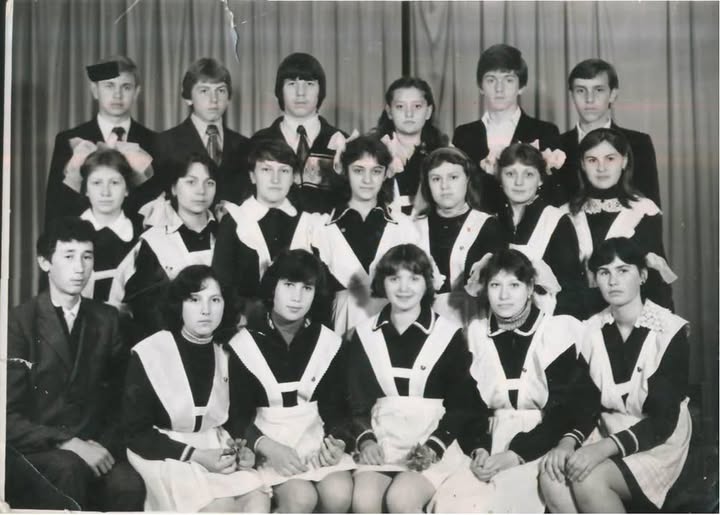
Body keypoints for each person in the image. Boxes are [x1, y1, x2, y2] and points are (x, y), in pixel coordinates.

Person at [539, 237, 691, 513]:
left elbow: (663, 420)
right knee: (552, 476)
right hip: (608, 429)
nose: (613, 281)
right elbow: (584, 401)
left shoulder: (670, 331)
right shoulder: (591, 330)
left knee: (588, 480)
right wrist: (567, 442)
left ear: (642, 276)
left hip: (658, 440)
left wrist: (599, 450)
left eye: (623, 270)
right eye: (604, 272)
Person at [430, 248, 586, 513]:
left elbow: (566, 410)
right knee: (453, 502)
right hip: (487, 442)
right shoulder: (474, 334)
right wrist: (478, 449)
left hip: (541, 442)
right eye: (495, 285)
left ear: (530, 288)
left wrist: (516, 454)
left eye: (514, 285)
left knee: (508, 502)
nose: (503, 296)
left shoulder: (558, 331)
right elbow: (468, 405)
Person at [5, 217, 144, 511]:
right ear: (45, 262)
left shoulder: (108, 319)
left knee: (129, 484)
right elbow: (6, 416)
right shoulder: (18, 323)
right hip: (36, 451)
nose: (80, 268)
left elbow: (122, 399)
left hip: (94, 445)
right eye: (69, 256)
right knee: (68, 469)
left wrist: (100, 446)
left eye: (87, 256)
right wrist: (68, 443)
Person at [347, 244, 484, 513]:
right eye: (394, 278)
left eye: (414, 278)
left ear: (427, 282)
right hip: (382, 442)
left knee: (401, 499)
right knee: (364, 500)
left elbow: (463, 403)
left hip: (433, 443)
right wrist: (366, 440)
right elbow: (355, 399)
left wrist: (435, 445)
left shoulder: (449, 334)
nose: (404, 288)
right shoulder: (363, 334)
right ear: (382, 283)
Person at [123, 265, 269, 512]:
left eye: (215, 300)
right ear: (179, 304)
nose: (205, 310)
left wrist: (242, 450)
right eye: (194, 299)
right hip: (166, 451)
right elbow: (136, 434)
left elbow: (233, 420)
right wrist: (197, 456)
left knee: (258, 500)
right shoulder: (149, 352)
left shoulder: (226, 353)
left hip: (214, 445)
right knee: (222, 507)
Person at [226, 249, 355, 513]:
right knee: (301, 498)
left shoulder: (328, 341)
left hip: (315, 443)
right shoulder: (244, 344)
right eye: (288, 285)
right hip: (268, 446)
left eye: (307, 288)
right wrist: (268, 447)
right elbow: (236, 416)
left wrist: (338, 442)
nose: (297, 297)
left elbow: (337, 410)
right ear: (272, 287)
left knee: (339, 495)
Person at [311, 135, 420, 335]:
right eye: (358, 170)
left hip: (394, 325)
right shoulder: (321, 228)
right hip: (342, 325)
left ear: (386, 174)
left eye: (376, 171)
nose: (367, 180)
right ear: (344, 171)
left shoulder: (404, 226)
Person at [563, 127, 674, 312]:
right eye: (592, 160)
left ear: (624, 161)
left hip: (631, 316)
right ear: (582, 164)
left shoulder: (644, 211)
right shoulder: (564, 214)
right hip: (577, 315)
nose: (601, 168)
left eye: (610, 158)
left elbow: (653, 282)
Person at [109, 153, 218, 340]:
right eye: (191, 182)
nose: (201, 191)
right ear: (174, 188)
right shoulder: (153, 241)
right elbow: (129, 307)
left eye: (209, 183)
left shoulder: (227, 234)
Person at [212, 139, 320, 325]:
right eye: (266, 170)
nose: (275, 179)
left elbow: (319, 286)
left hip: (299, 326)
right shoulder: (235, 221)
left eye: (284, 171)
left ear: (294, 177)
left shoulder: (308, 222)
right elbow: (222, 284)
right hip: (245, 325)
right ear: (252, 176)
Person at [45, 56, 156, 226]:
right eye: (109, 86)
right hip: (83, 238)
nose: (117, 95)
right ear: (95, 90)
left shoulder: (154, 140)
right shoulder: (68, 140)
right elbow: (55, 206)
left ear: (136, 92)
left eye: (126, 87)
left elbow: (157, 206)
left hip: (136, 238)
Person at [452, 44, 559, 214]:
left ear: (521, 86)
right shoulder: (464, 134)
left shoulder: (545, 131)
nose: (499, 88)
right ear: (480, 86)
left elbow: (552, 191)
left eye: (508, 80)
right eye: (491, 80)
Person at [413, 146, 507, 324]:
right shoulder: (414, 227)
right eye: (436, 179)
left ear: (467, 179)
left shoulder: (487, 226)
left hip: (473, 322)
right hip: (422, 321)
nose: (444, 186)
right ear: (427, 184)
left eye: (453, 177)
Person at [551, 59, 661, 207]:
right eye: (581, 90)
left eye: (599, 90)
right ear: (572, 95)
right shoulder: (555, 144)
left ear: (613, 94)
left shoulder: (639, 143)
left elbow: (651, 208)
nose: (589, 99)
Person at [496, 142, 587, 318]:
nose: (519, 182)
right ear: (500, 177)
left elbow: (571, 291)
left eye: (528, 174)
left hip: (547, 320)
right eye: (510, 174)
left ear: (540, 179)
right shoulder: (493, 220)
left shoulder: (556, 220)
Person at [252, 52, 348, 214]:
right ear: (280, 91)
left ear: (320, 90)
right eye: (292, 84)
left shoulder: (343, 142)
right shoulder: (258, 142)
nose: (300, 93)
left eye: (309, 84)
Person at [154, 57, 251, 207]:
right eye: (204, 91)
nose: (214, 99)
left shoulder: (244, 144)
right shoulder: (164, 143)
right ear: (188, 98)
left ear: (229, 98)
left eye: (221, 90)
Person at [73, 148, 145, 303]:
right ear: (86, 189)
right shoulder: (67, 233)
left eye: (114, 183)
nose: (105, 192)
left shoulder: (143, 236)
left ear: (127, 189)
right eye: (96, 183)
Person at [371, 76, 450, 214]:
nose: (409, 114)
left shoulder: (444, 152)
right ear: (389, 111)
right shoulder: (372, 150)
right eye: (400, 106)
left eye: (417, 106)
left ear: (428, 112)